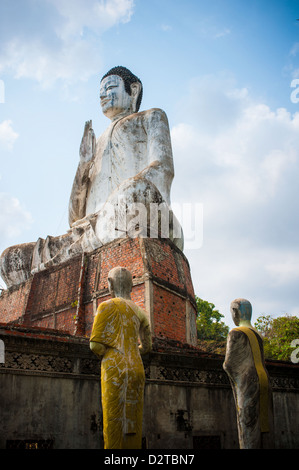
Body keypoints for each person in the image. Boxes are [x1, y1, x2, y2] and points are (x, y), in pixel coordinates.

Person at [0, 66, 183, 289]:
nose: (103, 95)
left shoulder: (151, 117)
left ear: (133, 90)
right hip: (91, 230)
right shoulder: (95, 146)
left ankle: (74, 254)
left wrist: (117, 202)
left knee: (132, 191)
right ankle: (80, 250)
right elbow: (75, 218)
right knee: (10, 259)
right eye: (100, 93)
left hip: (141, 212)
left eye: (111, 88)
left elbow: (163, 169)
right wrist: (83, 165)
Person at [90, 266, 152, 449]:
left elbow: (95, 345)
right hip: (137, 368)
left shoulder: (106, 306)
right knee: (133, 419)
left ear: (110, 284)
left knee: (114, 421)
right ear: (131, 286)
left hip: (114, 368)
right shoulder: (140, 312)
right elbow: (147, 346)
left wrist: (114, 352)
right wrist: (132, 351)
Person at [223, 298, 274, 449]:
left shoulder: (236, 332)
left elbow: (229, 363)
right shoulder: (257, 334)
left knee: (248, 424)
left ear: (235, 312)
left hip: (247, 381)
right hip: (265, 379)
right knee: (265, 424)